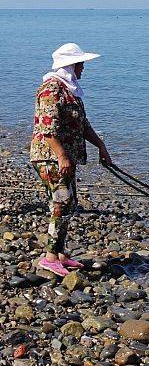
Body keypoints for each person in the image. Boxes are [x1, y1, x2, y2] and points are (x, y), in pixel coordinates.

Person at [29, 43, 113, 277]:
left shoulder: (70, 91)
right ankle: (50, 257)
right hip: (50, 158)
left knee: (69, 203)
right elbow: (48, 129)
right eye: (80, 63)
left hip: (62, 158)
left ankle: (59, 253)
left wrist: (101, 146)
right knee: (62, 203)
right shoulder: (51, 89)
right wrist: (62, 155)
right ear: (70, 65)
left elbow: (83, 125)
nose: (83, 67)